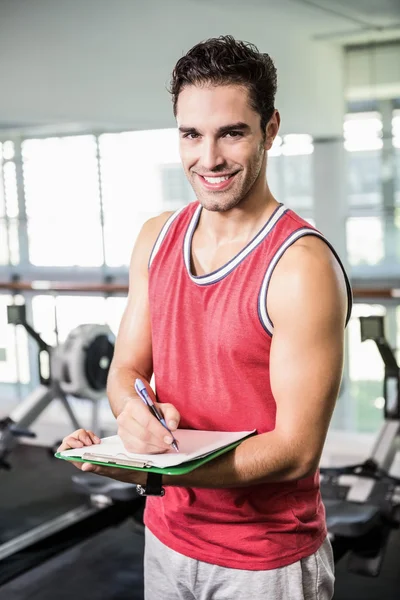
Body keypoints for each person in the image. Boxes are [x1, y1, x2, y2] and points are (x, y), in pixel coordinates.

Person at [58, 35, 352, 599]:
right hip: (166, 539)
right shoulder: (157, 238)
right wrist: (134, 420)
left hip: (263, 563)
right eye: (191, 135)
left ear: (270, 129)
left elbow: (294, 452)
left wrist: (143, 470)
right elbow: (126, 374)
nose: (208, 158)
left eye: (232, 132)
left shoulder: (300, 267)